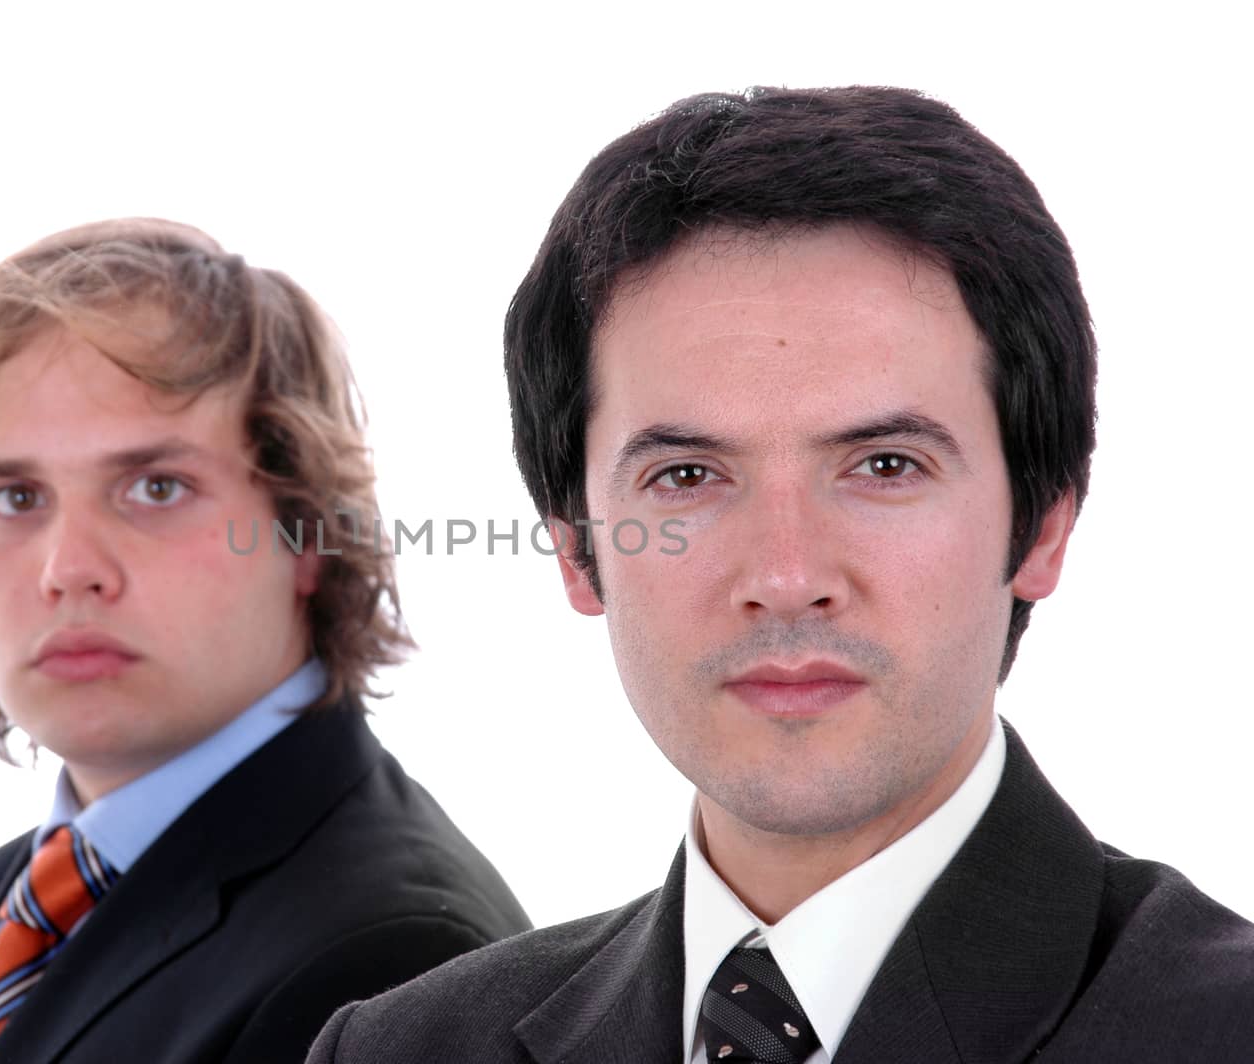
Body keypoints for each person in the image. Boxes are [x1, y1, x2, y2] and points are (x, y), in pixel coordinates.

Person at [306, 87, 1254, 1063]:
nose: (787, 574)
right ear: (577, 546)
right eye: (685, 475)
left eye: (885, 464)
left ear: (1045, 522)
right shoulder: (402, 1045)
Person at [0, 218, 529, 1064]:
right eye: (16, 497)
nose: (68, 568)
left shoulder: (396, 963)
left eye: (156, 487)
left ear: (307, 532)